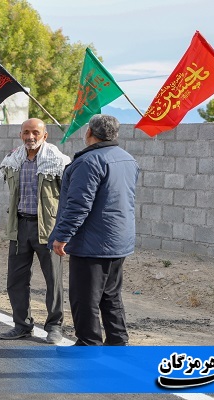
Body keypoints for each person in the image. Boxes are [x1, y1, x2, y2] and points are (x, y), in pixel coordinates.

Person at [48, 114, 139, 346]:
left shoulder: (89, 162)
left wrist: (62, 236)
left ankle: (88, 344)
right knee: (111, 296)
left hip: (93, 243)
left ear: (89, 132)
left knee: (85, 298)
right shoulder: (128, 159)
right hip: (119, 240)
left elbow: (79, 205)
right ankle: (118, 343)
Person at [0, 118, 70, 344]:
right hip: (19, 226)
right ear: (21, 135)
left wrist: (63, 232)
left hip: (47, 229)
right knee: (16, 280)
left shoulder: (59, 162)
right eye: (26, 132)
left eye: (35, 132)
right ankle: (21, 325)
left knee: (53, 280)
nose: (30, 136)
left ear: (45, 135)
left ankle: (55, 327)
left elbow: (67, 198)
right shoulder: (12, 160)